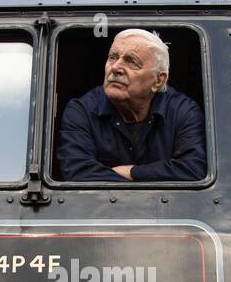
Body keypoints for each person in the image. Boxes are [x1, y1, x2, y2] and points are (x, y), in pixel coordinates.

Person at [57, 29, 206, 182]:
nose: (115, 67)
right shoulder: (81, 111)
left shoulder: (183, 111)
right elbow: (77, 172)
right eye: (112, 58)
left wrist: (133, 172)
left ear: (158, 80)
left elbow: (194, 169)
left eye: (131, 61)